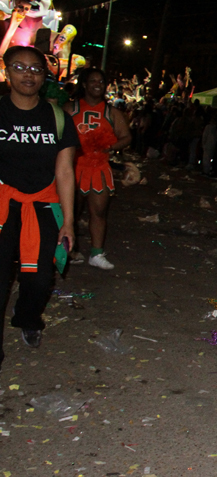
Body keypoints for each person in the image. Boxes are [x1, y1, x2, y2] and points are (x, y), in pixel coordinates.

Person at [0, 46, 78, 366]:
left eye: (36, 69)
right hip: (3, 206)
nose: (28, 74)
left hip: (43, 206)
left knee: (40, 278)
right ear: (7, 72)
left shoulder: (57, 117)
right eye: (20, 67)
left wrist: (69, 221)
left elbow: (65, 171)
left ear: (44, 77)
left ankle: (28, 318)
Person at [64, 67, 132, 270]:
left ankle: (96, 253)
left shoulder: (112, 112)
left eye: (101, 82)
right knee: (70, 212)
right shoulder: (70, 108)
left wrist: (109, 146)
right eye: (92, 81)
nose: (97, 85)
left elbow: (127, 137)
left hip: (99, 167)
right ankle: (69, 251)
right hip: (73, 165)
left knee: (99, 211)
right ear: (84, 84)